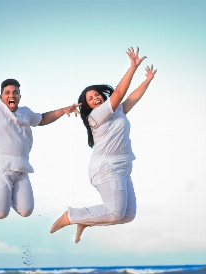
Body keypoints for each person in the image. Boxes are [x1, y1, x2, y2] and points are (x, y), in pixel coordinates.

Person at [0, 39, 80, 219]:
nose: (11, 95)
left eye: (15, 93)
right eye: (7, 93)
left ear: (19, 96)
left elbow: (43, 119)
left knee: (26, 211)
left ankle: (4, 196)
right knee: (0, 213)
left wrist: (63, 110)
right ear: (1, 96)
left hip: (21, 170)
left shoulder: (25, 113)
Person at [50, 47, 156, 243]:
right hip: (106, 168)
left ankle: (85, 220)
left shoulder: (118, 112)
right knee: (115, 213)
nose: (95, 98)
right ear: (88, 106)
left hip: (122, 167)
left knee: (127, 215)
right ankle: (71, 216)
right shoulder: (96, 116)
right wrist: (132, 67)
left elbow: (131, 97)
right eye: (90, 99)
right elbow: (120, 92)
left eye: (97, 95)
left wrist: (147, 80)